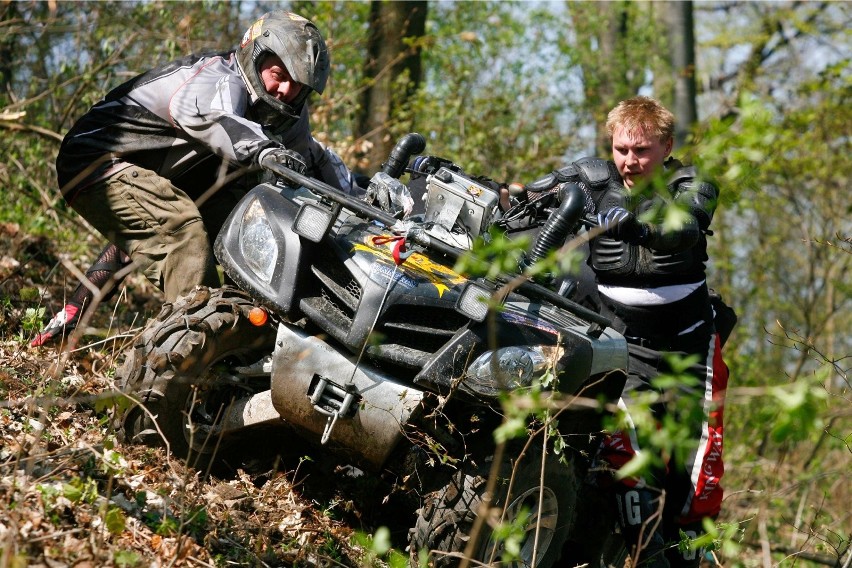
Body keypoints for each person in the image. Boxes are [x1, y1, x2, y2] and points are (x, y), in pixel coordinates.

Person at [32, 10, 357, 347]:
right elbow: (216, 117)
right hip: (94, 160)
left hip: (162, 176)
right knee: (181, 232)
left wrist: (367, 197)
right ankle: (190, 360)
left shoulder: (287, 114)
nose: (286, 91)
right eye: (278, 74)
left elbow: (314, 160)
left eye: (299, 86)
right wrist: (263, 150)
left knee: (252, 220)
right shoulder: (216, 77)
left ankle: (243, 343)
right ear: (254, 56)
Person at [525, 96, 730, 567]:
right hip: (623, 344)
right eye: (621, 150)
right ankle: (638, 554)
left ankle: (688, 556)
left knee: (693, 475)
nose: (629, 162)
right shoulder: (590, 179)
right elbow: (524, 197)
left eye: (641, 151)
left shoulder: (692, 183)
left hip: (689, 345)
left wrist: (637, 229)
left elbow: (685, 229)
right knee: (627, 458)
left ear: (667, 146)